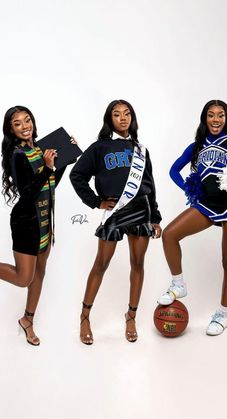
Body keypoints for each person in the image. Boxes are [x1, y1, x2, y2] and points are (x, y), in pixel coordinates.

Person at [70, 99, 162, 344]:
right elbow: (77, 175)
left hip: (141, 210)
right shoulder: (99, 148)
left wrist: (155, 217)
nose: (123, 118)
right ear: (109, 119)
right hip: (115, 212)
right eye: (117, 114)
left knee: (138, 264)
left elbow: (150, 186)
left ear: (132, 117)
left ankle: (131, 316)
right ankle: (85, 316)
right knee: (101, 263)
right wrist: (96, 201)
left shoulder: (141, 150)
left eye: (127, 113)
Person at [158, 99, 227, 336]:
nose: (216, 120)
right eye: (211, 115)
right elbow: (173, 170)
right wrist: (190, 188)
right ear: (204, 119)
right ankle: (178, 284)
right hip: (207, 204)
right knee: (170, 234)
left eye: (220, 115)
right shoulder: (196, 146)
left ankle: (222, 314)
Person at [1, 106, 71, 345]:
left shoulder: (40, 149)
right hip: (25, 223)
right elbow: (28, 193)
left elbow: (50, 184)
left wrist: (66, 156)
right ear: (10, 129)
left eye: (27, 120)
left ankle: (27, 320)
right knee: (23, 278)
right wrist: (48, 167)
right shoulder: (16, 155)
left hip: (45, 222)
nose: (24, 126)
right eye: (17, 123)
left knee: (40, 271)